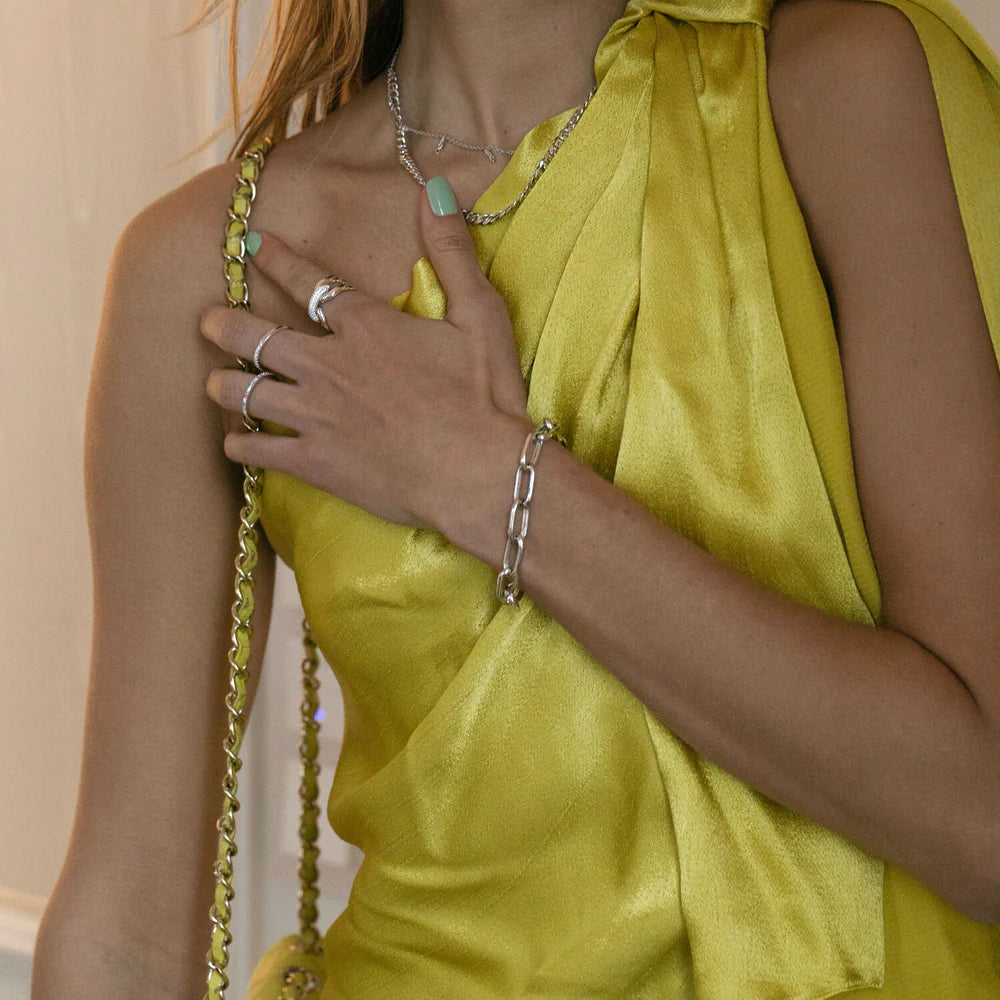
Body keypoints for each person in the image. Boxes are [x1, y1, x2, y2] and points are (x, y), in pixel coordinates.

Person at [32, 0, 1000, 997]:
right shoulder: (211, 262)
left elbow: (981, 818)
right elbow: (123, 934)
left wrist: (487, 479)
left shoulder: (837, 91)